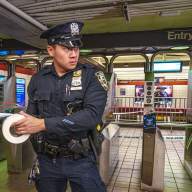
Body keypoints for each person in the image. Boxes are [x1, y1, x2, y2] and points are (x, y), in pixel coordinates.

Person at [14, 21, 108, 192]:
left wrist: (43, 124)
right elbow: (32, 115)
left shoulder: (92, 76)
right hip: (48, 161)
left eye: (76, 48)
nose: (74, 54)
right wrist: (20, 123)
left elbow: (91, 116)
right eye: (66, 48)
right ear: (51, 50)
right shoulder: (38, 79)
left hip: (82, 161)